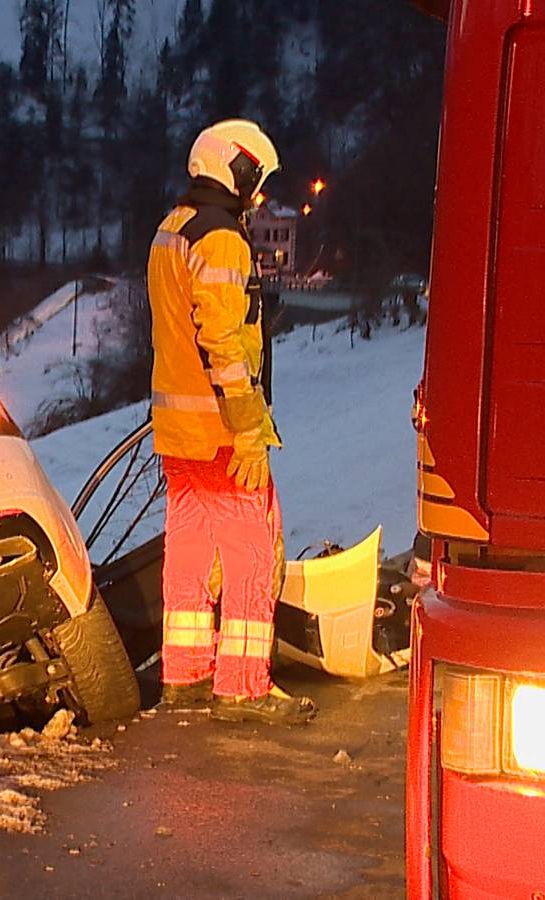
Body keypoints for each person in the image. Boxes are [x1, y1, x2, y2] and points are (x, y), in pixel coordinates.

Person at [146, 119, 316, 725]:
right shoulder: (223, 240)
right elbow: (222, 338)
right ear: (236, 168)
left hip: (177, 432)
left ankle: (184, 675)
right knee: (249, 550)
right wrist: (248, 426)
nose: (259, 193)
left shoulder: (171, 230)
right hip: (222, 429)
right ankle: (242, 685)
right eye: (257, 179)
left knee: (189, 549)